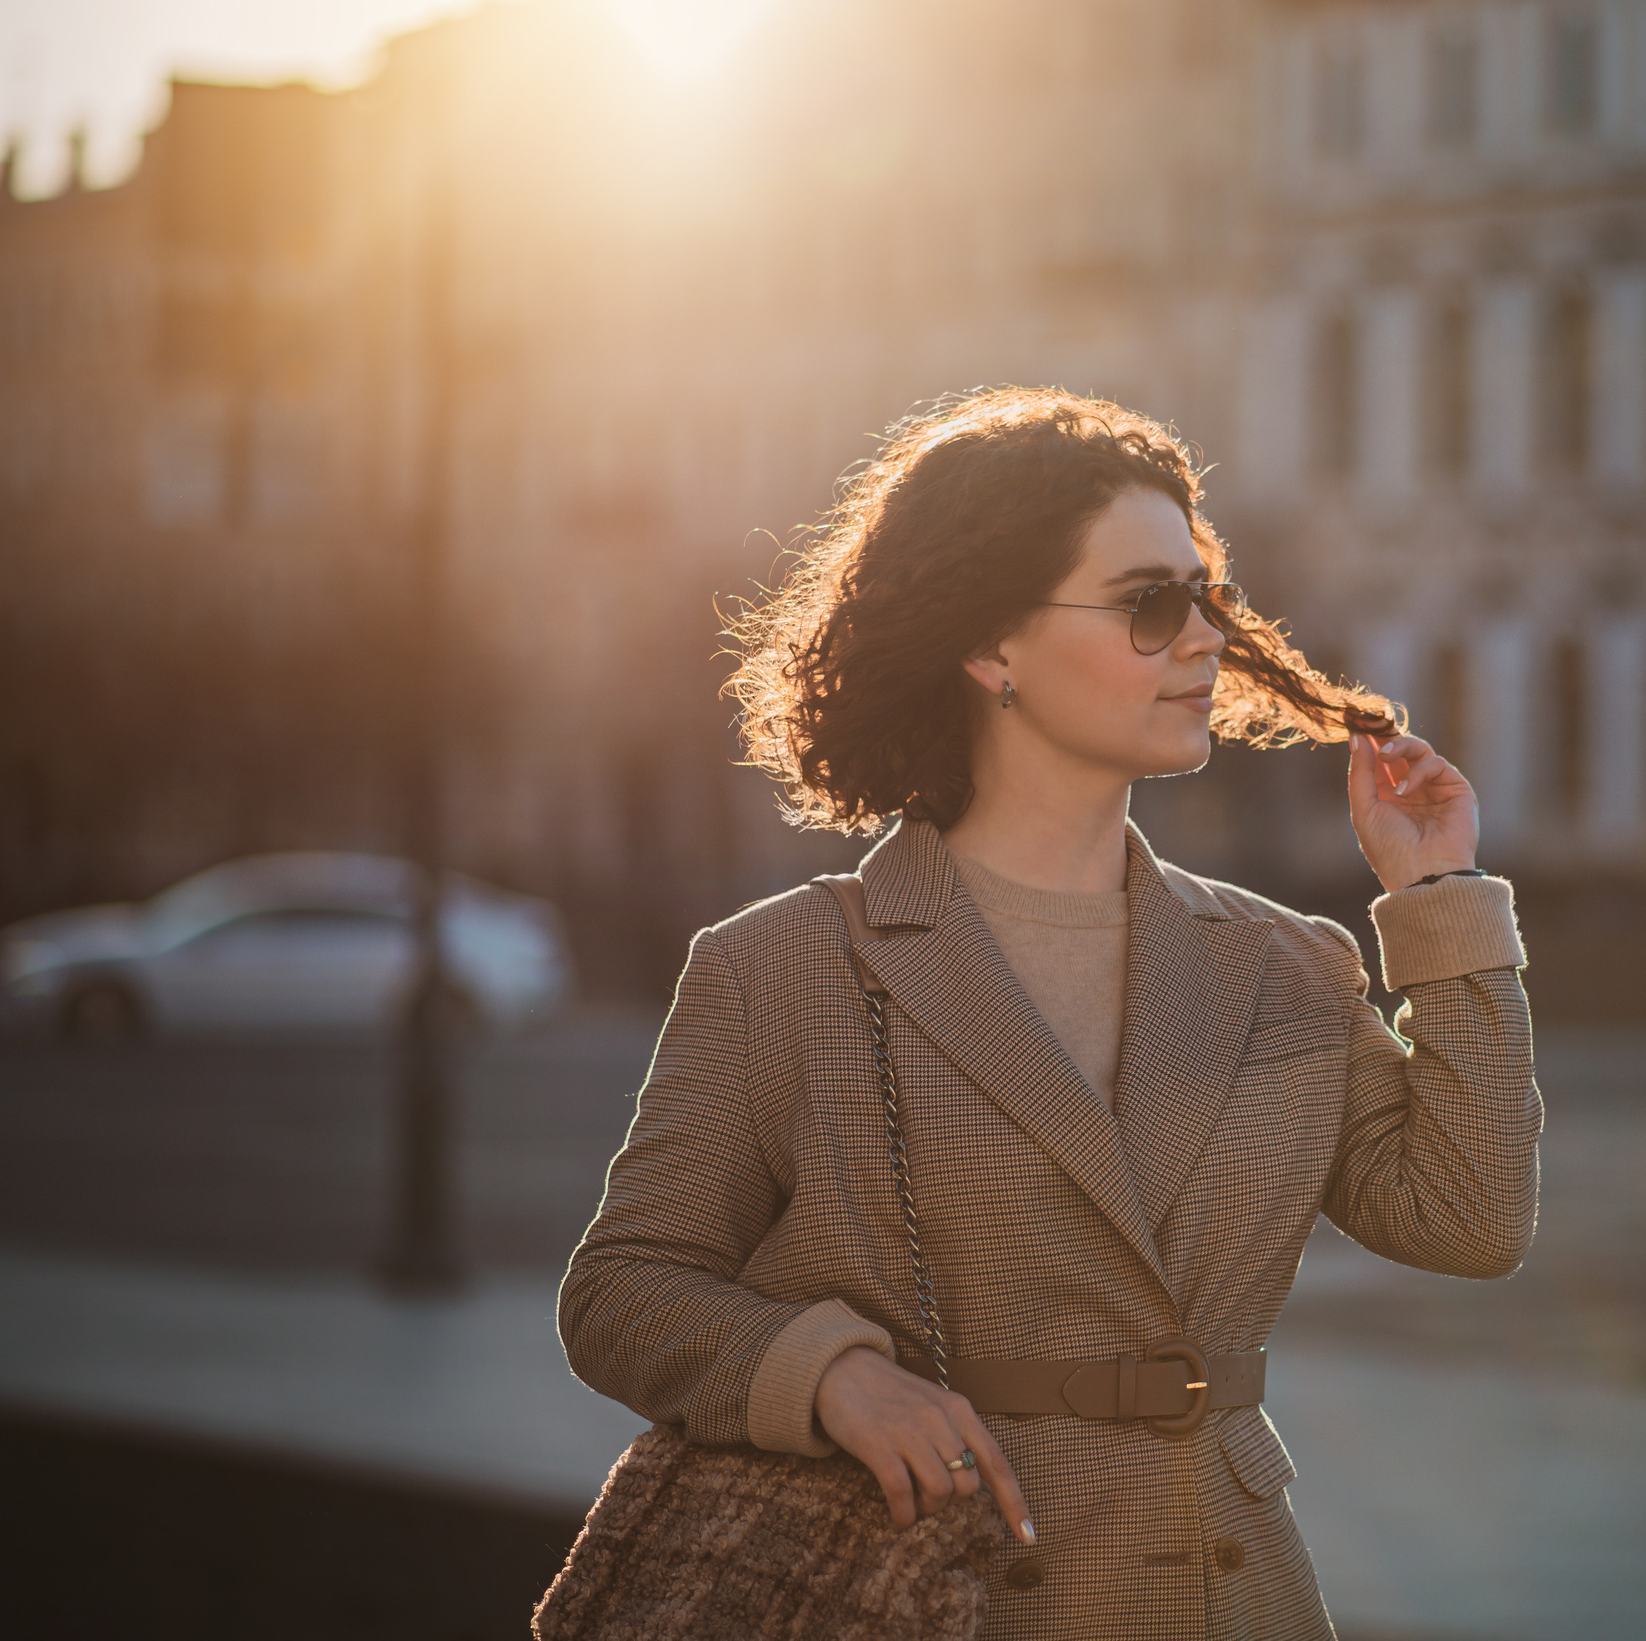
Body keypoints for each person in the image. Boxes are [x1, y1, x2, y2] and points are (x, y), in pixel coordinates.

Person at [558, 388, 1540, 1641]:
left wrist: (1439, 894)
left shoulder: (1285, 963)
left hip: (1228, 1593)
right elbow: (625, 1289)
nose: (1205, 639)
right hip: (942, 1593)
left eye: (1206, 598)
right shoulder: (785, 965)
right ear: (991, 648)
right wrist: (830, 1375)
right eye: (1148, 602)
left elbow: (1468, 1219)